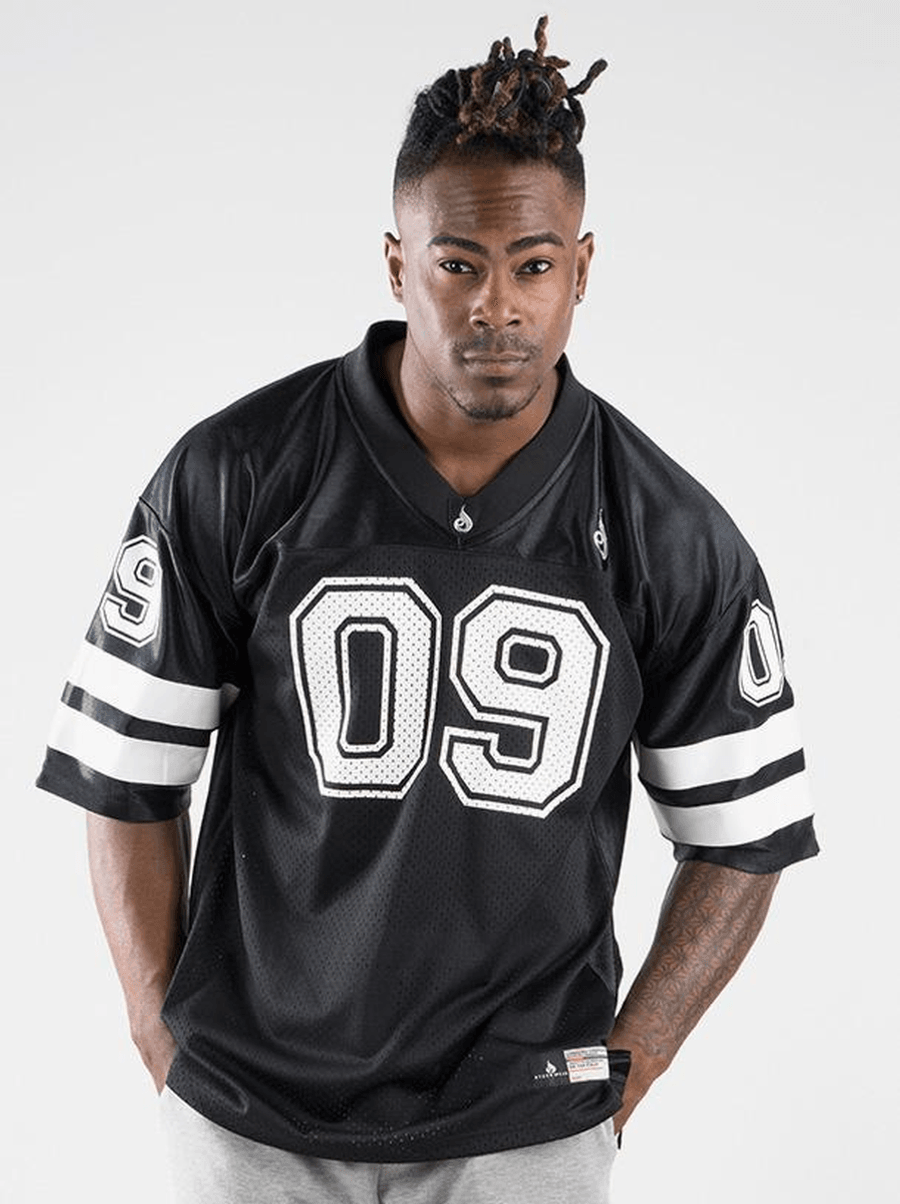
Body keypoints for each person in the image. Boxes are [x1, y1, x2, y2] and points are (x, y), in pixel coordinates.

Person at [37, 17, 818, 1204]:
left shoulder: (669, 531)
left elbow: (743, 832)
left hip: (523, 1121)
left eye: (534, 265)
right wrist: (160, 1033)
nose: (496, 305)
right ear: (398, 264)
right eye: (459, 264)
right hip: (253, 1111)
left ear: (583, 268)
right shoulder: (239, 471)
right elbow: (127, 772)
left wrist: (628, 1063)